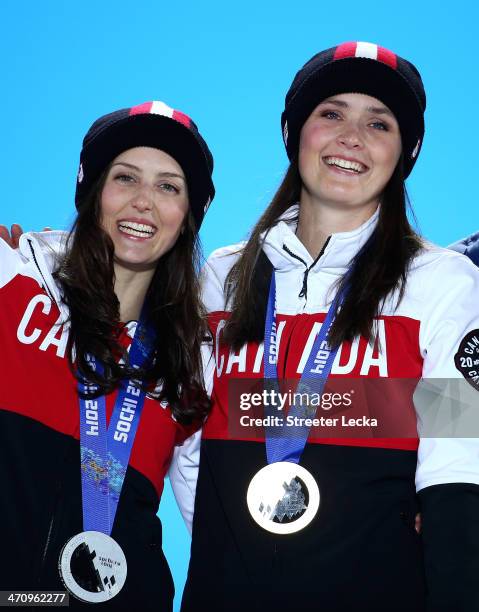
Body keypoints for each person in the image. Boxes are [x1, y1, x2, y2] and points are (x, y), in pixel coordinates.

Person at [170, 42, 479, 611]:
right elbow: (189, 451)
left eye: (378, 123)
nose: (352, 138)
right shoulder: (222, 277)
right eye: (331, 113)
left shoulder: (445, 283)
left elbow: (457, 464)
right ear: (294, 132)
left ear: (406, 151)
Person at [0, 100, 215, 610]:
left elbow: (220, 515)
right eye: (126, 178)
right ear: (92, 191)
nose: (144, 202)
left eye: (168, 186)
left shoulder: (193, 361)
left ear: (187, 217)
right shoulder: (14, 280)